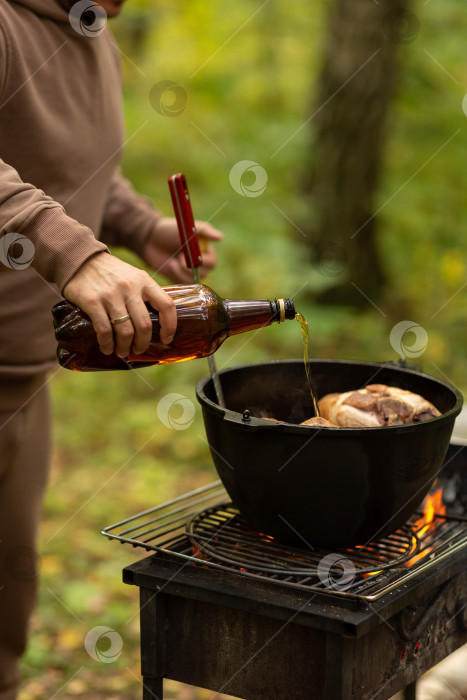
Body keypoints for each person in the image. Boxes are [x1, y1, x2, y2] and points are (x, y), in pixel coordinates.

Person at [0, 0, 222, 696]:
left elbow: (74, 170)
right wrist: (73, 252)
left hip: (23, 370)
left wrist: (136, 225)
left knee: (7, 590)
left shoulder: (88, 28)